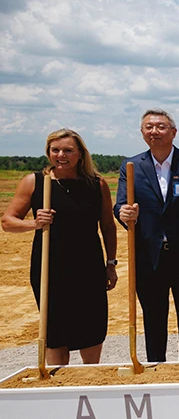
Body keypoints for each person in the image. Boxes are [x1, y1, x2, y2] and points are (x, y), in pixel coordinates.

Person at [2, 129, 117, 365]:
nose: (61, 155)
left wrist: (111, 263)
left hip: (89, 267)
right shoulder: (35, 182)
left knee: (91, 327)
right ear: (48, 153)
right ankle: (58, 382)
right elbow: (7, 221)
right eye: (55, 150)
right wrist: (34, 223)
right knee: (55, 331)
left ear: (80, 154)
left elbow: (108, 226)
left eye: (68, 150)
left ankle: (90, 378)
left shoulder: (96, 184)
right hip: (50, 267)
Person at [114, 109, 179, 362]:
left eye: (160, 126)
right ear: (142, 133)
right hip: (149, 257)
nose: (154, 131)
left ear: (173, 132)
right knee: (153, 320)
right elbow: (120, 206)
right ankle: (156, 371)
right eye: (148, 127)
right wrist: (123, 213)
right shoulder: (132, 166)